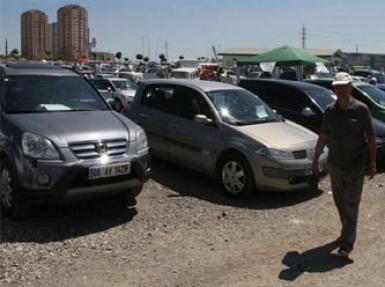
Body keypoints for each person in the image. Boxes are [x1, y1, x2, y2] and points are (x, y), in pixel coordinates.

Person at [311, 72, 377, 258]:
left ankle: (346, 245)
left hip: (356, 165)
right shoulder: (330, 111)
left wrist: (372, 163)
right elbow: (323, 136)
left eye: (344, 86)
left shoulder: (361, 109)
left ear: (350, 87)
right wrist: (315, 160)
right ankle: (346, 231)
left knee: (351, 203)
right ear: (334, 88)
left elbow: (371, 138)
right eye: (337, 87)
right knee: (340, 203)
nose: (340, 90)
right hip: (335, 165)